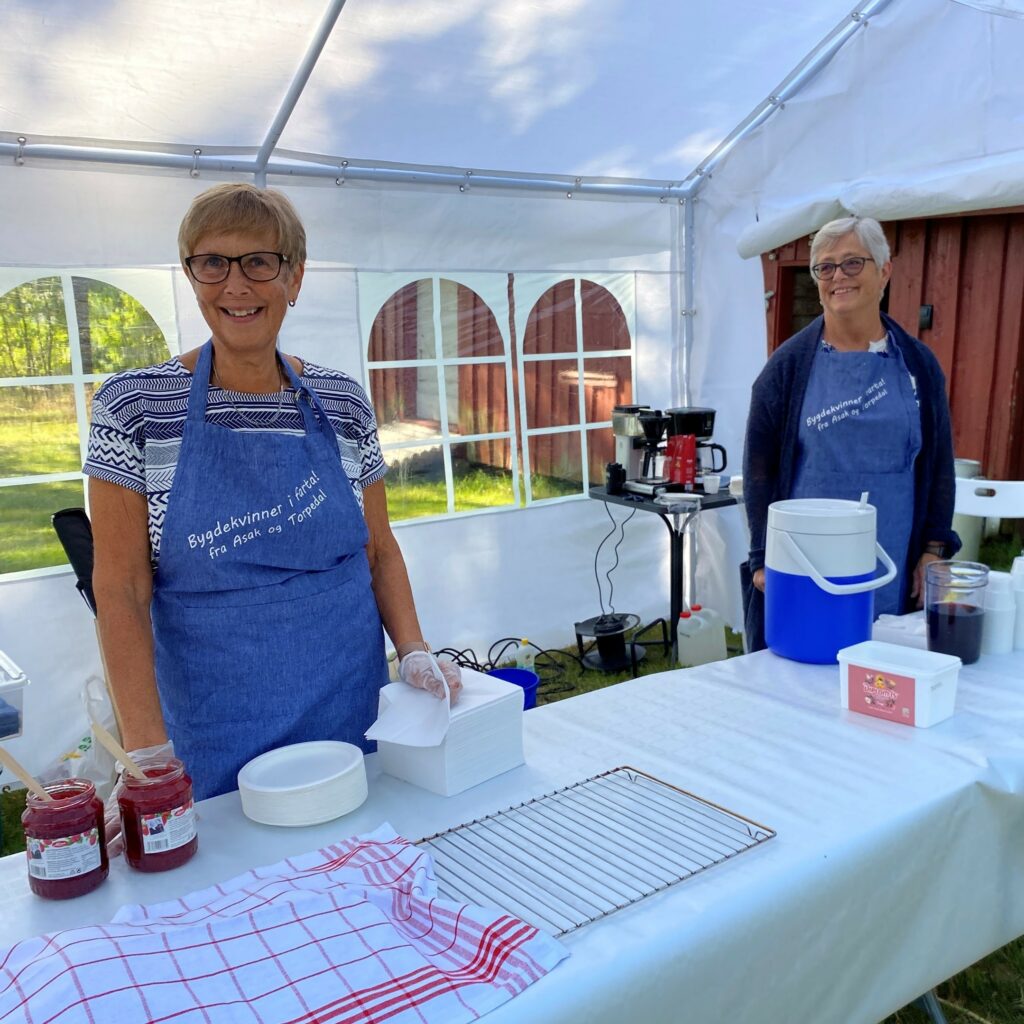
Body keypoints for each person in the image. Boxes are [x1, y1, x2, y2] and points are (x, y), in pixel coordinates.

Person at [85, 183, 461, 803]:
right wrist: (148, 752)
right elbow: (120, 587)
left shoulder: (341, 400)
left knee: (357, 855)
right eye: (213, 263)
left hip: (348, 699)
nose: (237, 286)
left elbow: (378, 548)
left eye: (261, 262)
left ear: (296, 277)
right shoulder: (134, 406)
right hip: (214, 720)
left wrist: (414, 650)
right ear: (192, 275)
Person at [742, 215, 959, 651]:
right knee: (806, 668)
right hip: (806, 562)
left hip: (892, 559)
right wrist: (764, 558)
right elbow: (759, 470)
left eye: (852, 263)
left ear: (885, 271)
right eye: (825, 267)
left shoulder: (918, 364)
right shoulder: (785, 369)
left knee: (880, 686)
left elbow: (937, 466)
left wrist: (933, 548)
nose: (838, 276)